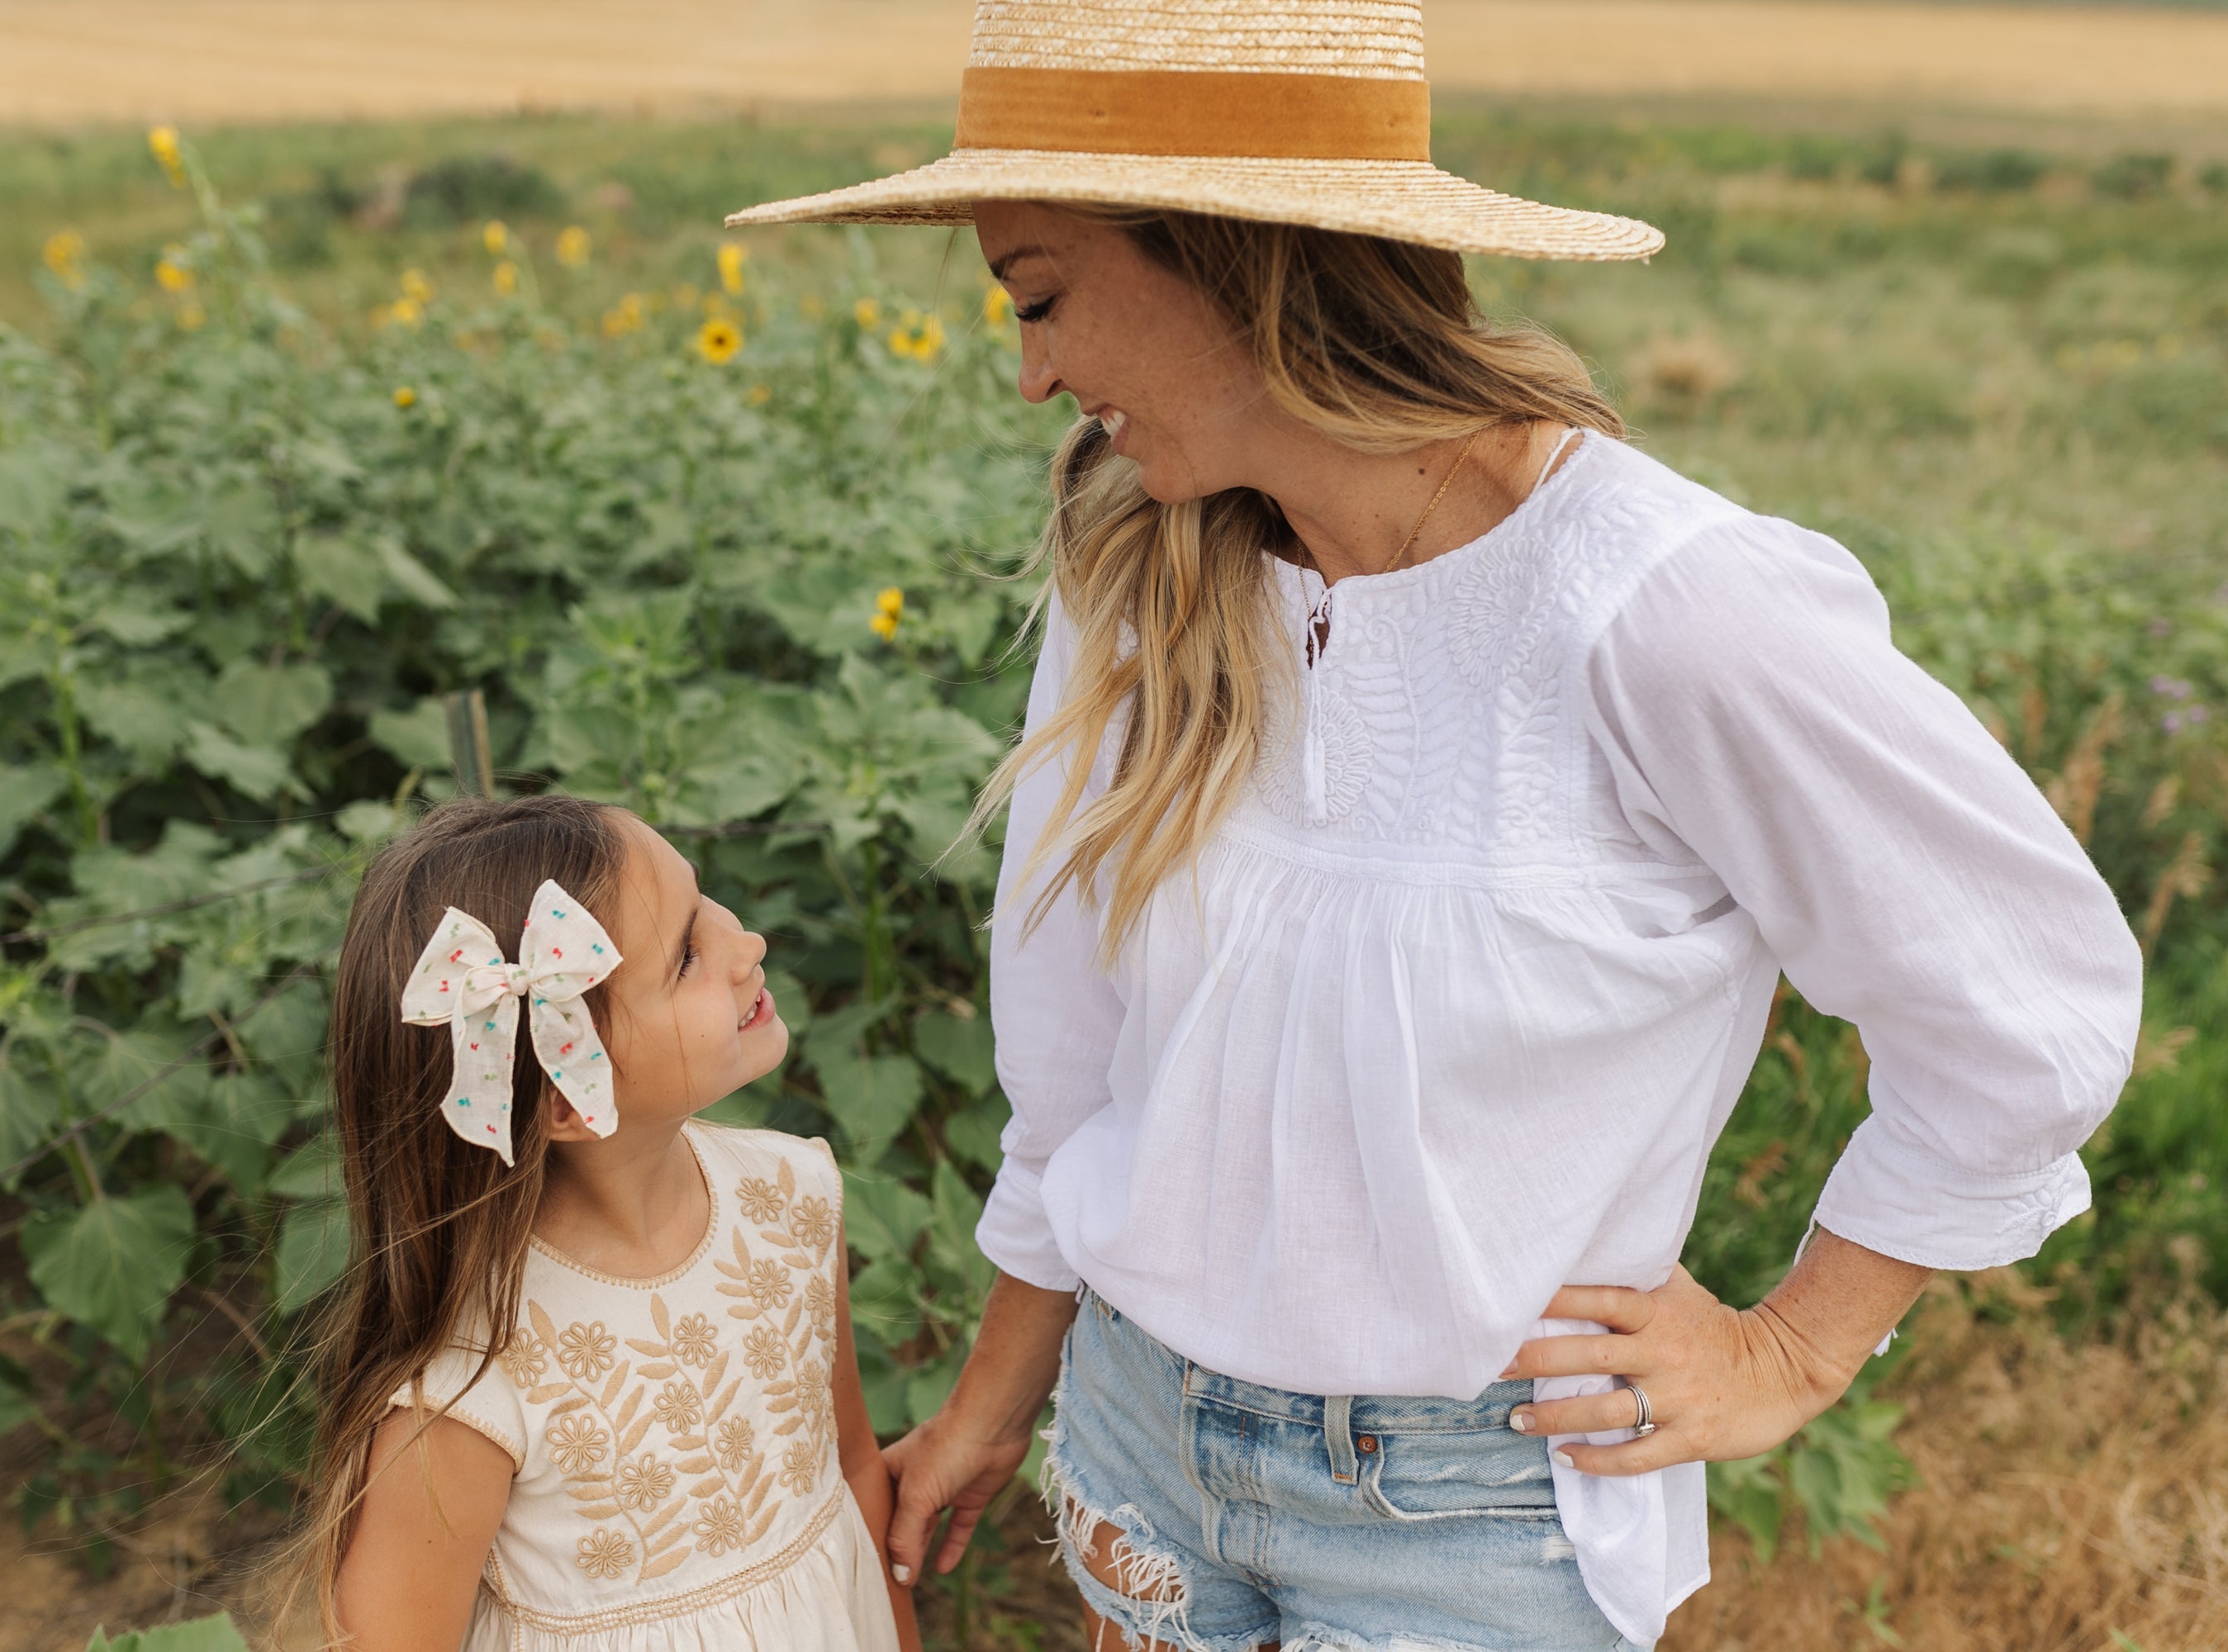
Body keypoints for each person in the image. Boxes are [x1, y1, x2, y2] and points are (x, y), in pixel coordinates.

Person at [726, 3, 2144, 1647]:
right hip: (1136, 1447)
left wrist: (1795, 1345)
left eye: (1040, 295)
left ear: (1242, 259)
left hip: (1472, 1513)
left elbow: (2023, 1003)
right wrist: (992, 1401)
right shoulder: (1139, 571)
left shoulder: (1659, 610)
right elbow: (1079, 1069)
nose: (1033, 369)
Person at [282, 795, 917, 1652]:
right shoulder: (473, 1382)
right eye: (687, 954)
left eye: (706, 902)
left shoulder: (792, 1194)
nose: (746, 944)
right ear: (565, 1094)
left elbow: (851, 1466)